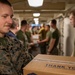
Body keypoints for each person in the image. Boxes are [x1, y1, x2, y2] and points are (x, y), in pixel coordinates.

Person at [0, 0, 32, 74]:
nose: (10, 21)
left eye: (11, 17)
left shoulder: (15, 43)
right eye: (5, 16)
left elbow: (30, 63)